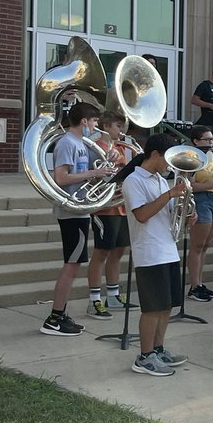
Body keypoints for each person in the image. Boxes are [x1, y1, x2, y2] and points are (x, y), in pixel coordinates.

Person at [40, 101, 117, 336]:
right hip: (71, 212)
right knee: (71, 265)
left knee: (74, 264)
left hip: (81, 209)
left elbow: (82, 176)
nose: (96, 126)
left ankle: (60, 314)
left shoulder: (82, 143)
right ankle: (54, 318)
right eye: (94, 122)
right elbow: (61, 179)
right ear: (84, 122)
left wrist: (106, 164)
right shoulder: (67, 143)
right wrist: (95, 172)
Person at [121, 134, 192, 376]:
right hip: (149, 251)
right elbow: (142, 215)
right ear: (154, 155)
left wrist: (186, 213)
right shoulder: (134, 181)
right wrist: (170, 195)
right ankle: (144, 356)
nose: (170, 166)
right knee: (151, 308)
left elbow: (168, 214)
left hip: (168, 249)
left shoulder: (161, 180)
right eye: (168, 159)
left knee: (166, 305)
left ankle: (158, 349)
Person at [87, 113, 133, 316]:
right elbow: (91, 176)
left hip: (121, 207)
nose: (121, 131)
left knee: (119, 251)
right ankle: (94, 300)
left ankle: (113, 296)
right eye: (117, 126)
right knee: (101, 253)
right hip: (104, 209)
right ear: (105, 126)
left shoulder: (121, 148)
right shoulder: (95, 147)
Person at [186, 125, 213, 302]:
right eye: (206, 140)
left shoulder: (211, 155)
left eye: (211, 139)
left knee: (206, 245)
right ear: (196, 141)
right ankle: (194, 286)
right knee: (197, 246)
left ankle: (200, 283)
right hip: (201, 200)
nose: (210, 142)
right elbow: (190, 185)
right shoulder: (191, 157)